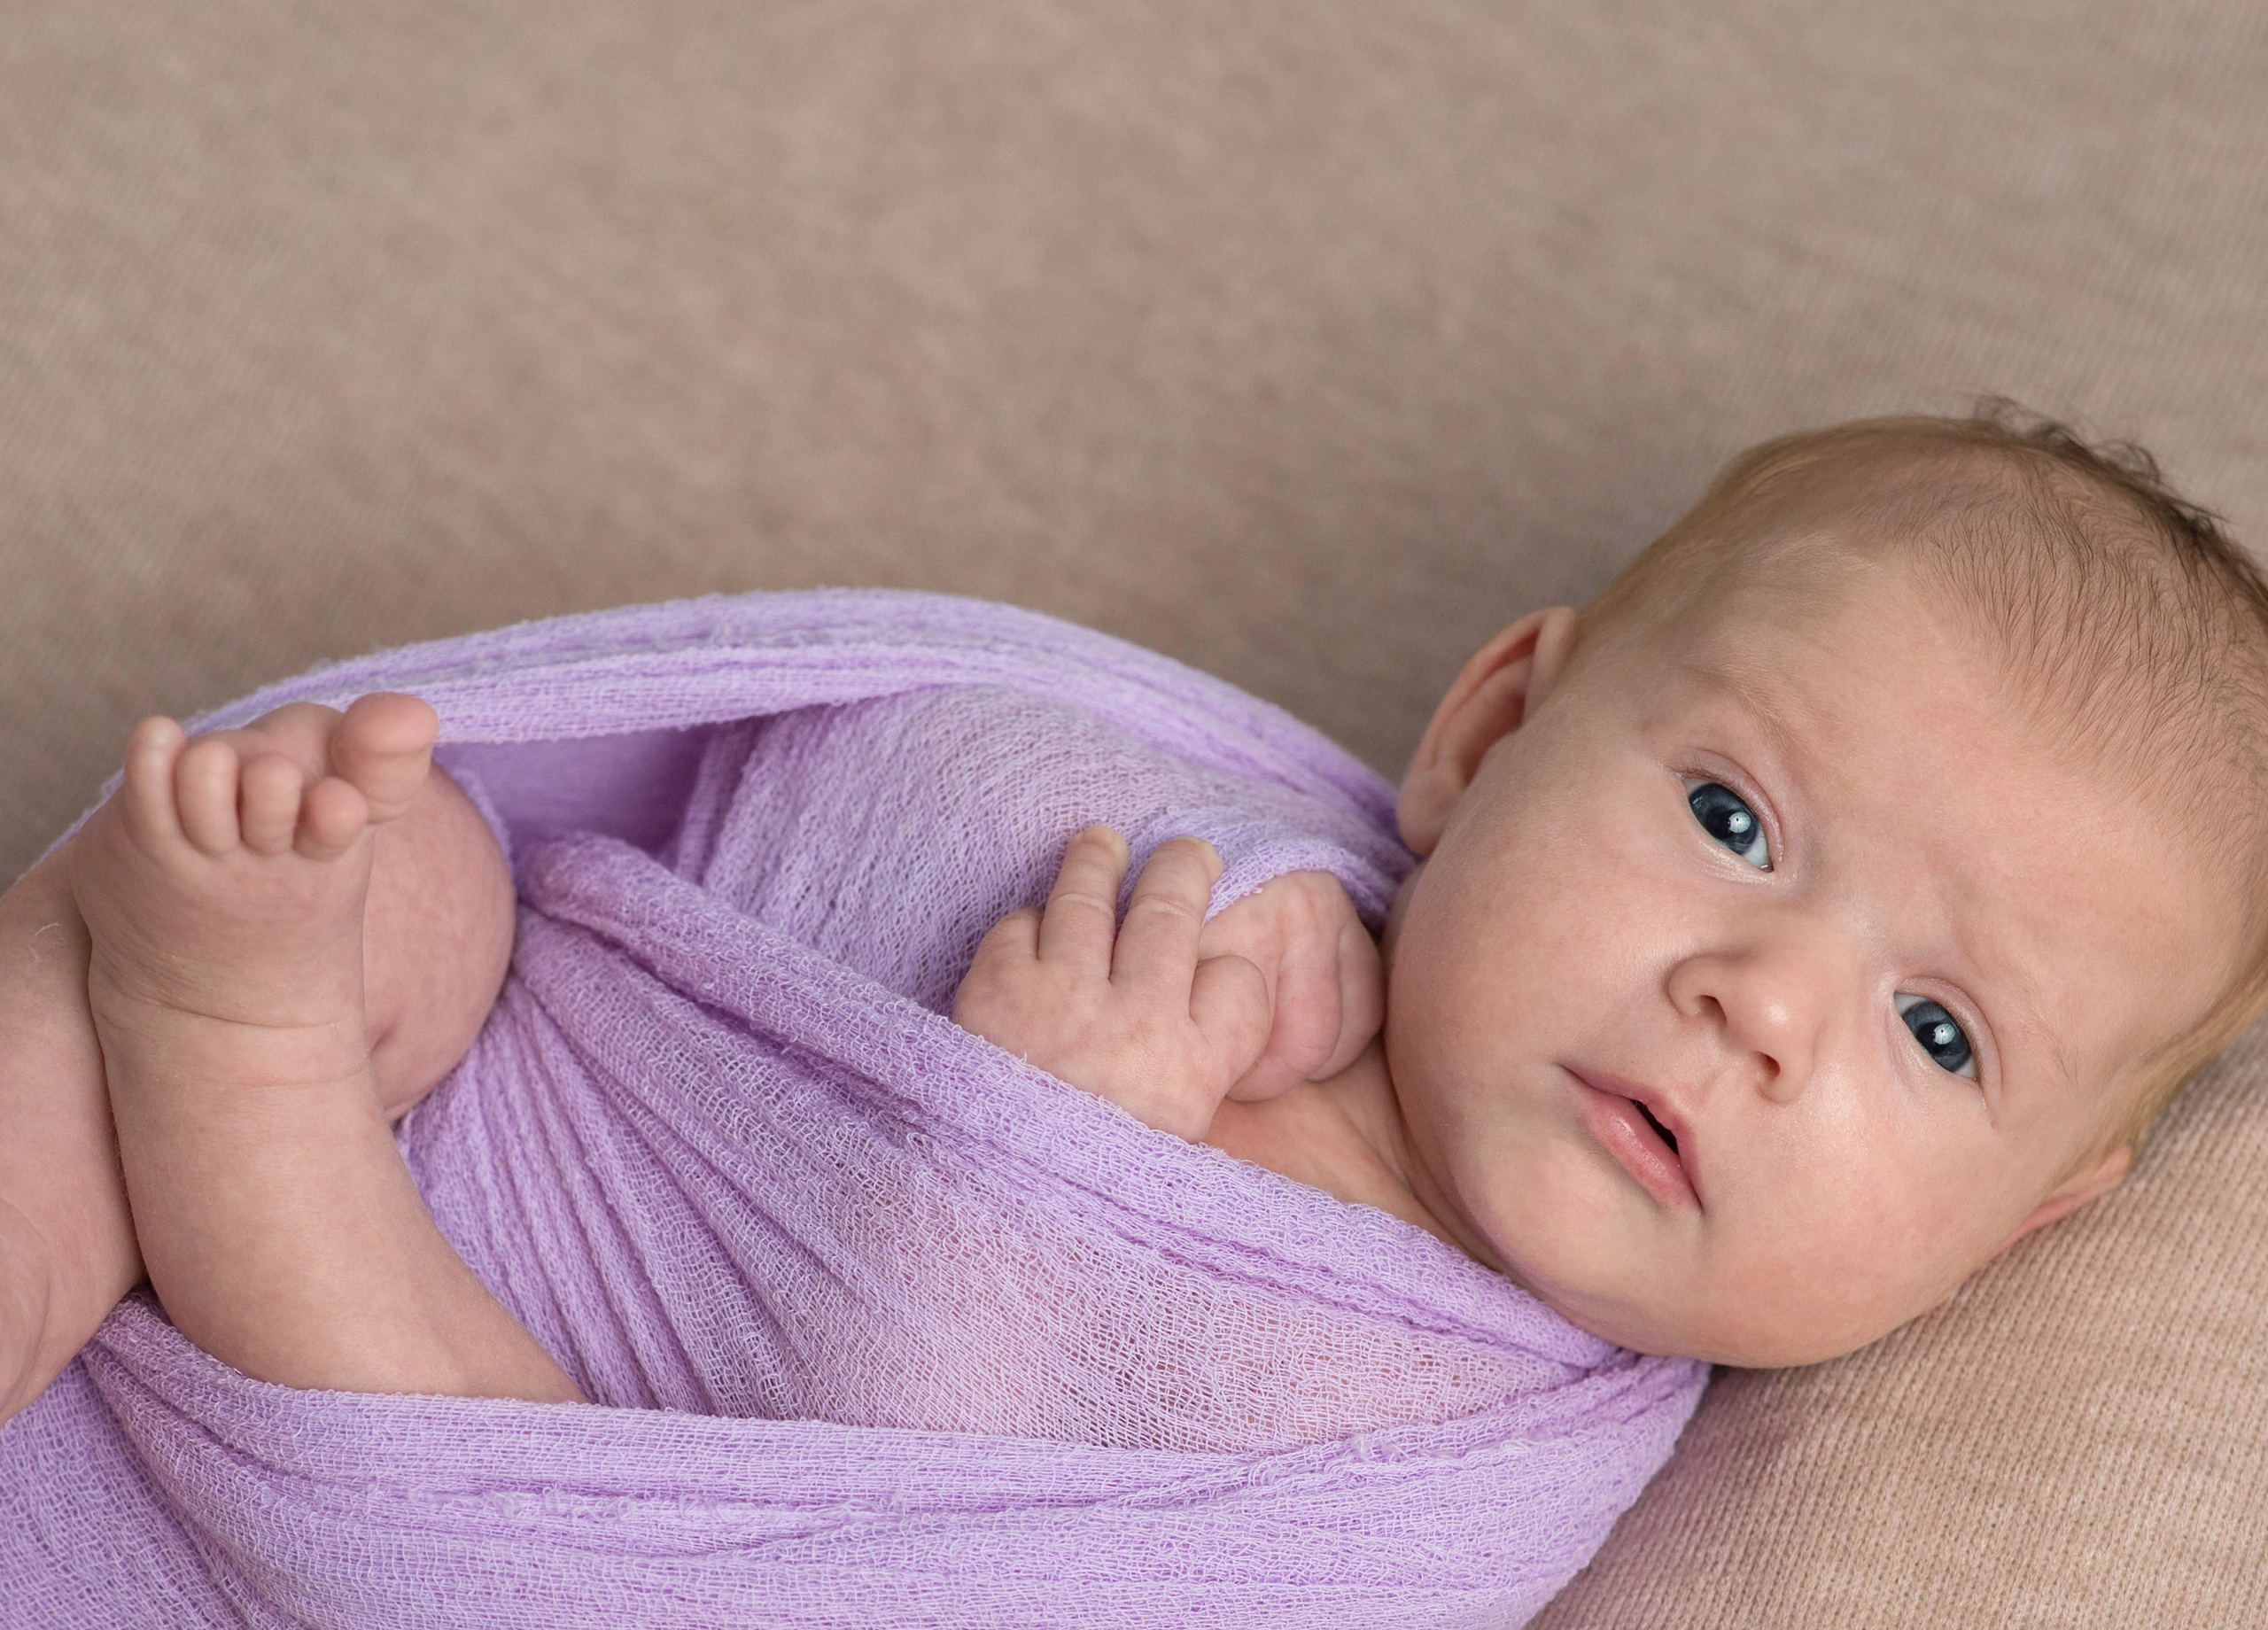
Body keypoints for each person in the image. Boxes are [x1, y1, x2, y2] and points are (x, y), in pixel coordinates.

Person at [6, 408, 2264, 1418]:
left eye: (1938, 1035)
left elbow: (894, 1600)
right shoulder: (1214, 869)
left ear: (2030, 1220)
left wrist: (1023, 1153)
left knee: (406, 1338)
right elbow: (845, 805)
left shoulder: (1431, 1460)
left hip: (533, 1440)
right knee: (370, 846)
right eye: (1730, 816)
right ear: (1487, 734)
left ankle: (227, 1058)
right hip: (529, 1098)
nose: (1759, 1002)